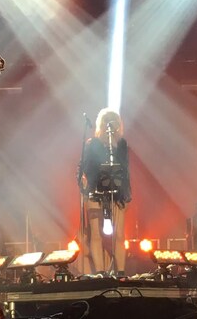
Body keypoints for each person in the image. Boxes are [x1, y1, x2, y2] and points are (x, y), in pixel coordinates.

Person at [81, 108, 131, 276]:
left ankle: (121, 273)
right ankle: (101, 272)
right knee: (95, 233)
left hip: (117, 191)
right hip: (96, 189)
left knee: (119, 234)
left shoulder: (122, 144)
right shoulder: (92, 144)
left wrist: (125, 191)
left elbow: (125, 169)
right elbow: (86, 168)